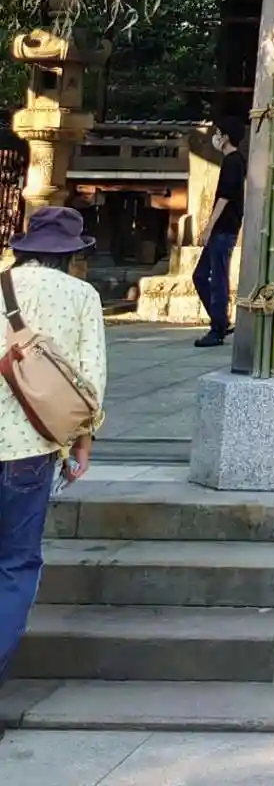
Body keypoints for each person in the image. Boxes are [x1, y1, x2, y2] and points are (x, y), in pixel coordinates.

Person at [0, 206, 106, 680]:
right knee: (16, 564)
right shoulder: (81, 295)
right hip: (32, 447)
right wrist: (82, 443)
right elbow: (88, 381)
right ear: (70, 254)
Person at [192, 128, 246, 349]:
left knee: (218, 278)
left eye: (219, 133)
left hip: (224, 227)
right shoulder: (232, 161)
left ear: (226, 137)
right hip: (222, 228)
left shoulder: (233, 161)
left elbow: (224, 197)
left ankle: (217, 329)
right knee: (200, 275)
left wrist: (208, 227)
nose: (215, 136)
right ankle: (221, 320)